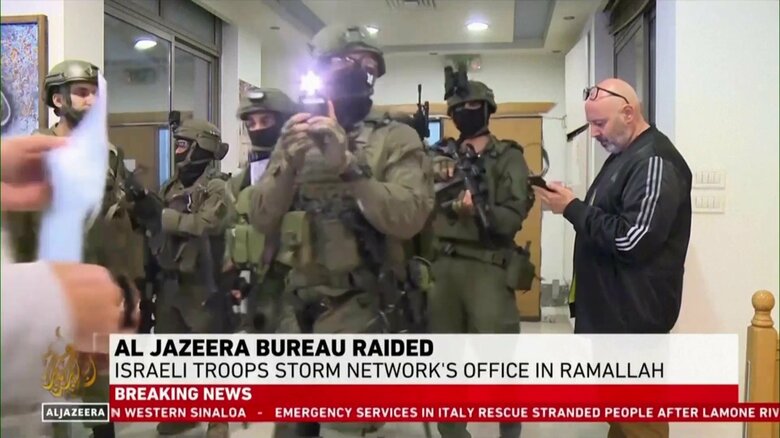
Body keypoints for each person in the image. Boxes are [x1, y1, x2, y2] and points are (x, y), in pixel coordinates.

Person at [249, 24, 434, 438]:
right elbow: (261, 218)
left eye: (369, 66)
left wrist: (349, 166)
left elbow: (408, 216)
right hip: (295, 311)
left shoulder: (394, 137)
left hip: (358, 309)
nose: (361, 72)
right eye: (348, 62)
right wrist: (287, 165)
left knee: (343, 427)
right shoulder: (295, 133)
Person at [2, 59, 154, 438]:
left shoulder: (109, 155)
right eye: (82, 93)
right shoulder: (35, 152)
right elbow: (19, 229)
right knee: (50, 395)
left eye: (95, 94)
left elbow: (119, 223)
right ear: (58, 99)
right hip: (49, 293)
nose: (92, 101)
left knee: (101, 396)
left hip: (98, 288)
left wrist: (131, 283)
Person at [533, 78, 692, 438]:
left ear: (629, 113)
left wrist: (572, 208)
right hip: (614, 319)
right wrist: (573, 204)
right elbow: (610, 218)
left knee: (640, 421)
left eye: (599, 124)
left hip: (633, 323)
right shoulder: (625, 157)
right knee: (622, 415)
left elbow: (631, 240)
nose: (593, 133)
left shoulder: (654, 161)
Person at [1, 134, 129, 437]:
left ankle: (102, 429)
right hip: (51, 296)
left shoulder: (105, 168)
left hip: (91, 291)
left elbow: (116, 235)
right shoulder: (33, 180)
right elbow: (22, 244)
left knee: (96, 380)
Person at [428, 80, 532, 438]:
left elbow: (512, 217)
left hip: (488, 266)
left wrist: (478, 209)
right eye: (457, 109)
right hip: (442, 268)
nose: (465, 114)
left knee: (499, 363)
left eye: (472, 107)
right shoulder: (439, 156)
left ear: (488, 110)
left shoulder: (509, 157)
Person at [153, 118, 234, 437]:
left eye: (184, 145)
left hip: (204, 283)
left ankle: (218, 420)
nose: (177, 150)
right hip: (171, 281)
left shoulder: (218, 187)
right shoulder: (169, 187)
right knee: (170, 351)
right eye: (177, 144)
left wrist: (161, 217)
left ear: (203, 148)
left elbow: (205, 224)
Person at [225, 87, 296, 333]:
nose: (257, 129)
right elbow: (234, 229)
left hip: (295, 289)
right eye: (251, 123)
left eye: (266, 121)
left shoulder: (305, 173)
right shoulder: (239, 182)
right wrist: (233, 273)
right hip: (254, 289)